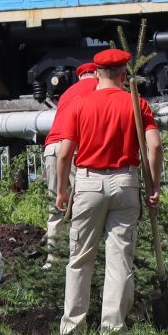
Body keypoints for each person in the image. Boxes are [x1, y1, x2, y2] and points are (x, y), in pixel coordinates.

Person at [50, 49, 161, 335]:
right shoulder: (137, 103)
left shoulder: (79, 105)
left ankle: (72, 331)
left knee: (80, 258)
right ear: (124, 74)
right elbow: (155, 146)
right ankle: (113, 330)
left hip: (88, 184)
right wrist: (154, 186)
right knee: (120, 258)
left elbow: (64, 154)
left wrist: (61, 190)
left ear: (97, 73)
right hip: (126, 183)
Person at [40, 62, 99, 269]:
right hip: (72, 148)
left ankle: (53, 260)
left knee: (57, 204)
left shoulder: (67, 93)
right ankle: (80, 258)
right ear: (97, 73)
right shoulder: (98, 87)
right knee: (83, 204)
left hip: (51, 148)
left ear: (80, 76)